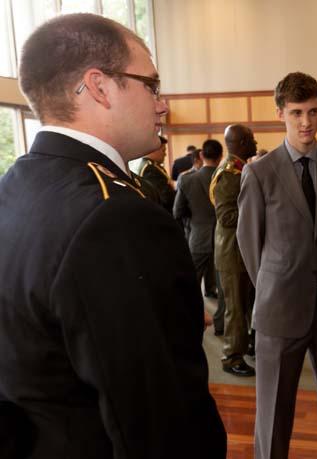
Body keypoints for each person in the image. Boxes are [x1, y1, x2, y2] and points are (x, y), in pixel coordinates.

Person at [0, 13, 225, 458]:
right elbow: (155, 416)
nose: (162, 104)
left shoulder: (16, 186)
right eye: (151, 85)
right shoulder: (114, 216)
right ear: (99, 87)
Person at [237, 72, 317, 459]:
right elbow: (248, 242)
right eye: (296, 113)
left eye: (313, 111)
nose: (305, 122)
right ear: (280, 113)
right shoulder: (258, 173)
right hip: (280, 308)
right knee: (273, 414)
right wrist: (279, 281)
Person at [210, 124, 258, 376]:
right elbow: (226, 215)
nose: (256, 142)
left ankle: (247, 344)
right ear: (239, 143)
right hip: (231, 251)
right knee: (236, 307)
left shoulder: (239, 167)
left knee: (246, 302)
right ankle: (231, 357)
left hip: (240, 249)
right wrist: (257, 211)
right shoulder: (229, 172)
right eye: (251, 139)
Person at [174, 139, 223, 299]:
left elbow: (178, 211)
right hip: (223, 237)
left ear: (201, 155)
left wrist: (191, 221)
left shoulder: (187, 179)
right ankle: (211, 292)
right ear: (221, 156)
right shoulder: (227, 179)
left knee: (193, 280)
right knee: (222, 282)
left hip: (197, 235)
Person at [139, 135, 175, 212]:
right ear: (154, 150)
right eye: (163, 151)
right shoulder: (149, 169)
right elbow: (165, 197)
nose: (165, 154)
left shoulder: (153, 166)